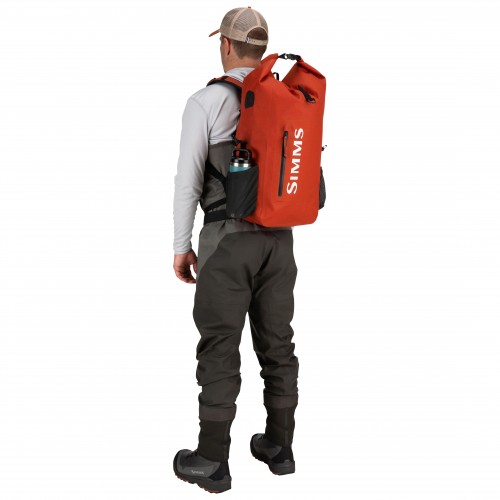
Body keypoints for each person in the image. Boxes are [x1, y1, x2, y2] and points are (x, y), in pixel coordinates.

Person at [172, 7, 299, 493]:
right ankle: (280, 447)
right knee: (278, 342)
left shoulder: (206, 101)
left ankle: (211, 459)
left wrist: (182, 246)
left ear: (226, 44)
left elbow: (188, 182)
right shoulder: (287, 97)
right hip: (280, 241)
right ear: (261, 49)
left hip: (226, 243)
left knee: (221, 345)